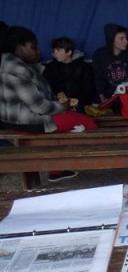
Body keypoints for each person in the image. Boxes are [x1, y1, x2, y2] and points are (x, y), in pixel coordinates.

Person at [0, 25, 97, 182]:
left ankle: (56, 169)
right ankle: (95, 160)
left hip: (11, 122)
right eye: (33, 47)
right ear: (20, 47)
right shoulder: (17, 69)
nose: (38, 51)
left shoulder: (6, 63)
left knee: (62, 126)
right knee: (87, 122)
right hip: (27, 123)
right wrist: (64, 106)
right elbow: (40, 107)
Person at [92, 23, 128, 103]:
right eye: (121, 38)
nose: (126, 41)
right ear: (112, 39)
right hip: (109, 97)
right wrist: (101, 95)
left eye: (126, 38)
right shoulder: (100, 55)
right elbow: (99, 78)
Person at [43, 36, 96, 110]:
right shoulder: (50, 68)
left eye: (58, 50)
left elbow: (88, 88)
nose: (55, 53)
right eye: (54, 50)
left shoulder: (84, 67)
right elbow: (46, 87)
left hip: (81, 106)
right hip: (58, 107)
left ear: (69, 52)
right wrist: (58, 100)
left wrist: (78, 102)